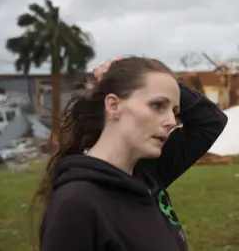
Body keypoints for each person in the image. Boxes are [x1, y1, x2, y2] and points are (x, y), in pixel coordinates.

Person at [33, 56, 228, 251]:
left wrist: (159, 81)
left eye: (175, 111)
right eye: (157, 105)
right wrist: (135, 76)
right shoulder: (76, 205)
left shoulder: (147, 173)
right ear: (113, 106)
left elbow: (210, 121)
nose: (171, 121)